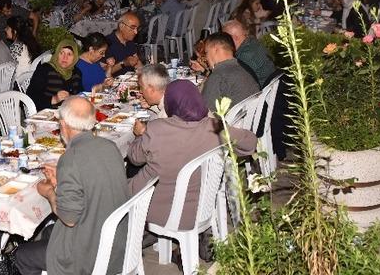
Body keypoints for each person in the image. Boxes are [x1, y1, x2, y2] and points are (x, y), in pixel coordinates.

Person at [126, 80, 256, 261]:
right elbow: (250, 142)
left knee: (117, 186)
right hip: (201, 206)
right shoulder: (214, 127)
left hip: (161, 209)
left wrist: (139, 136)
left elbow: (134, 157)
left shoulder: (156, 129)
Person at [14, 96, 129, 275]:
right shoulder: (110, 146)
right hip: (119, 240)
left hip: (91, 253)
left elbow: (69, 219)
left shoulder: (71, 159)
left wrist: (49, 192)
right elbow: (89, 181)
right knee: (49, 233)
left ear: (63, 124)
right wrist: (61, 179)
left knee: (21, 255)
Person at [201, 33, 259, 112]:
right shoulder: (245, 68)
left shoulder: (218, 75)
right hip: (249, 118)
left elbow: (203, 110)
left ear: (215, 49)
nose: (206, 59)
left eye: (206, 52)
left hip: (231, 122)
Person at [27, 39, 84, 110]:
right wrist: (54, 99)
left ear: (74, 57)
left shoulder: (76, 72)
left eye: (69, 54)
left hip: (70, 112)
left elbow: (80, 93)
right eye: (62, 53)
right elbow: (31, 95)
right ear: (57, 54)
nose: (65, 57)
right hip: (47, 113)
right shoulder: (45, 69)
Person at [221, 20, 277, 87]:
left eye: (223, 39)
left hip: (262, 93)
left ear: (233, 38)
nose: (222, 43)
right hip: (272, 87)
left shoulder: (244, 57)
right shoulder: (253, 42)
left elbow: (236, 84)